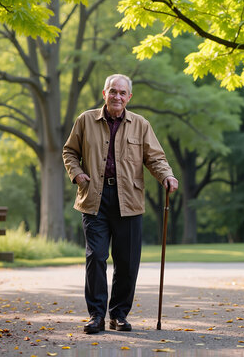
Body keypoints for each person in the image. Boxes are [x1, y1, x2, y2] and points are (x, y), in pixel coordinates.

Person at [63, 74, 179, 334]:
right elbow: (69, 151)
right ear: (104, 94)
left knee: (127, 262)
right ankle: (96, 316)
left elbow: (156, 158)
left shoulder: (141, 124)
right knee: (96, 257)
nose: (117, 96)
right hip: (94, 197)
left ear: (129, 97)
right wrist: (76, 173)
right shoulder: (85, 120)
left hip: (129, 200)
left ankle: (118, 315)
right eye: (112, 91)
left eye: (122, 92)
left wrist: (167, 176)